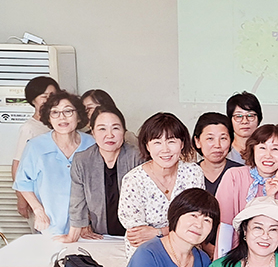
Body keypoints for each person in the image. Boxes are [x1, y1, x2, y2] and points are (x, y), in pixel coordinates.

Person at [118, 113, 205, 257]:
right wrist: (174, 231)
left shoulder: (193, 172)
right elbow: (138, 235)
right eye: (157, 142)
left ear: (182, 144)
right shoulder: (134, 180)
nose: (165, 149)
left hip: (187, 251)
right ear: (147, 146)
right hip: (147, 253)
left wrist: (158, 232)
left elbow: (197, 220)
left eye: (171, 141)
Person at [13, 90, 95, 236]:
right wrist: (38, 211)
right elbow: (22, 182)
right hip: (49, 223)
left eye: (68, 111)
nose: (62, 117)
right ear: (49, 119)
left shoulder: (92, 144)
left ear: (78, 116)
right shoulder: (36, 146)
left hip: (86, 225)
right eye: (55, 112)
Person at [61, 105, 143, 242]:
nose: (109, 135)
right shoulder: (82, 160)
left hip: (136, 236)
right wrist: (76, 230)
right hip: (101, 236)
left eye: (115, 128)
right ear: (93, 132)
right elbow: (77, 201)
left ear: (124, 131)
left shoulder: (138, 157)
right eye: (102, 129)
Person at [215, 125, 278, 255]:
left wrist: (270, 197)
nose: (268, 155)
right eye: (262, 148)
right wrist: (222, 261)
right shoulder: (234, 176)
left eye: (275, 149)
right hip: (233, 255)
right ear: (253, 149)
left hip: (271, 257)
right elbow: (225, 226)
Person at [13, 76, 59, 222]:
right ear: (33, 100)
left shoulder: (60, 124)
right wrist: (21, 198)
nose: (49, 100)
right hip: (37, 196)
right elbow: (18, 164)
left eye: (53, 95)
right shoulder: (30, 128)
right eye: (44, 96)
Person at [193, 112, 238, 196]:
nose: (217, 145)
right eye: (210, 138)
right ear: (197, 141)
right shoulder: (189, 173)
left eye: (223, 138)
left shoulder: (240, 172)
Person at [226, 92, 262, 164]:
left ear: (259, 119)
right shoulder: (224, 151)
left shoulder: (266, 151)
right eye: (238, 116)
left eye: (250, 116)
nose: (245, 121)